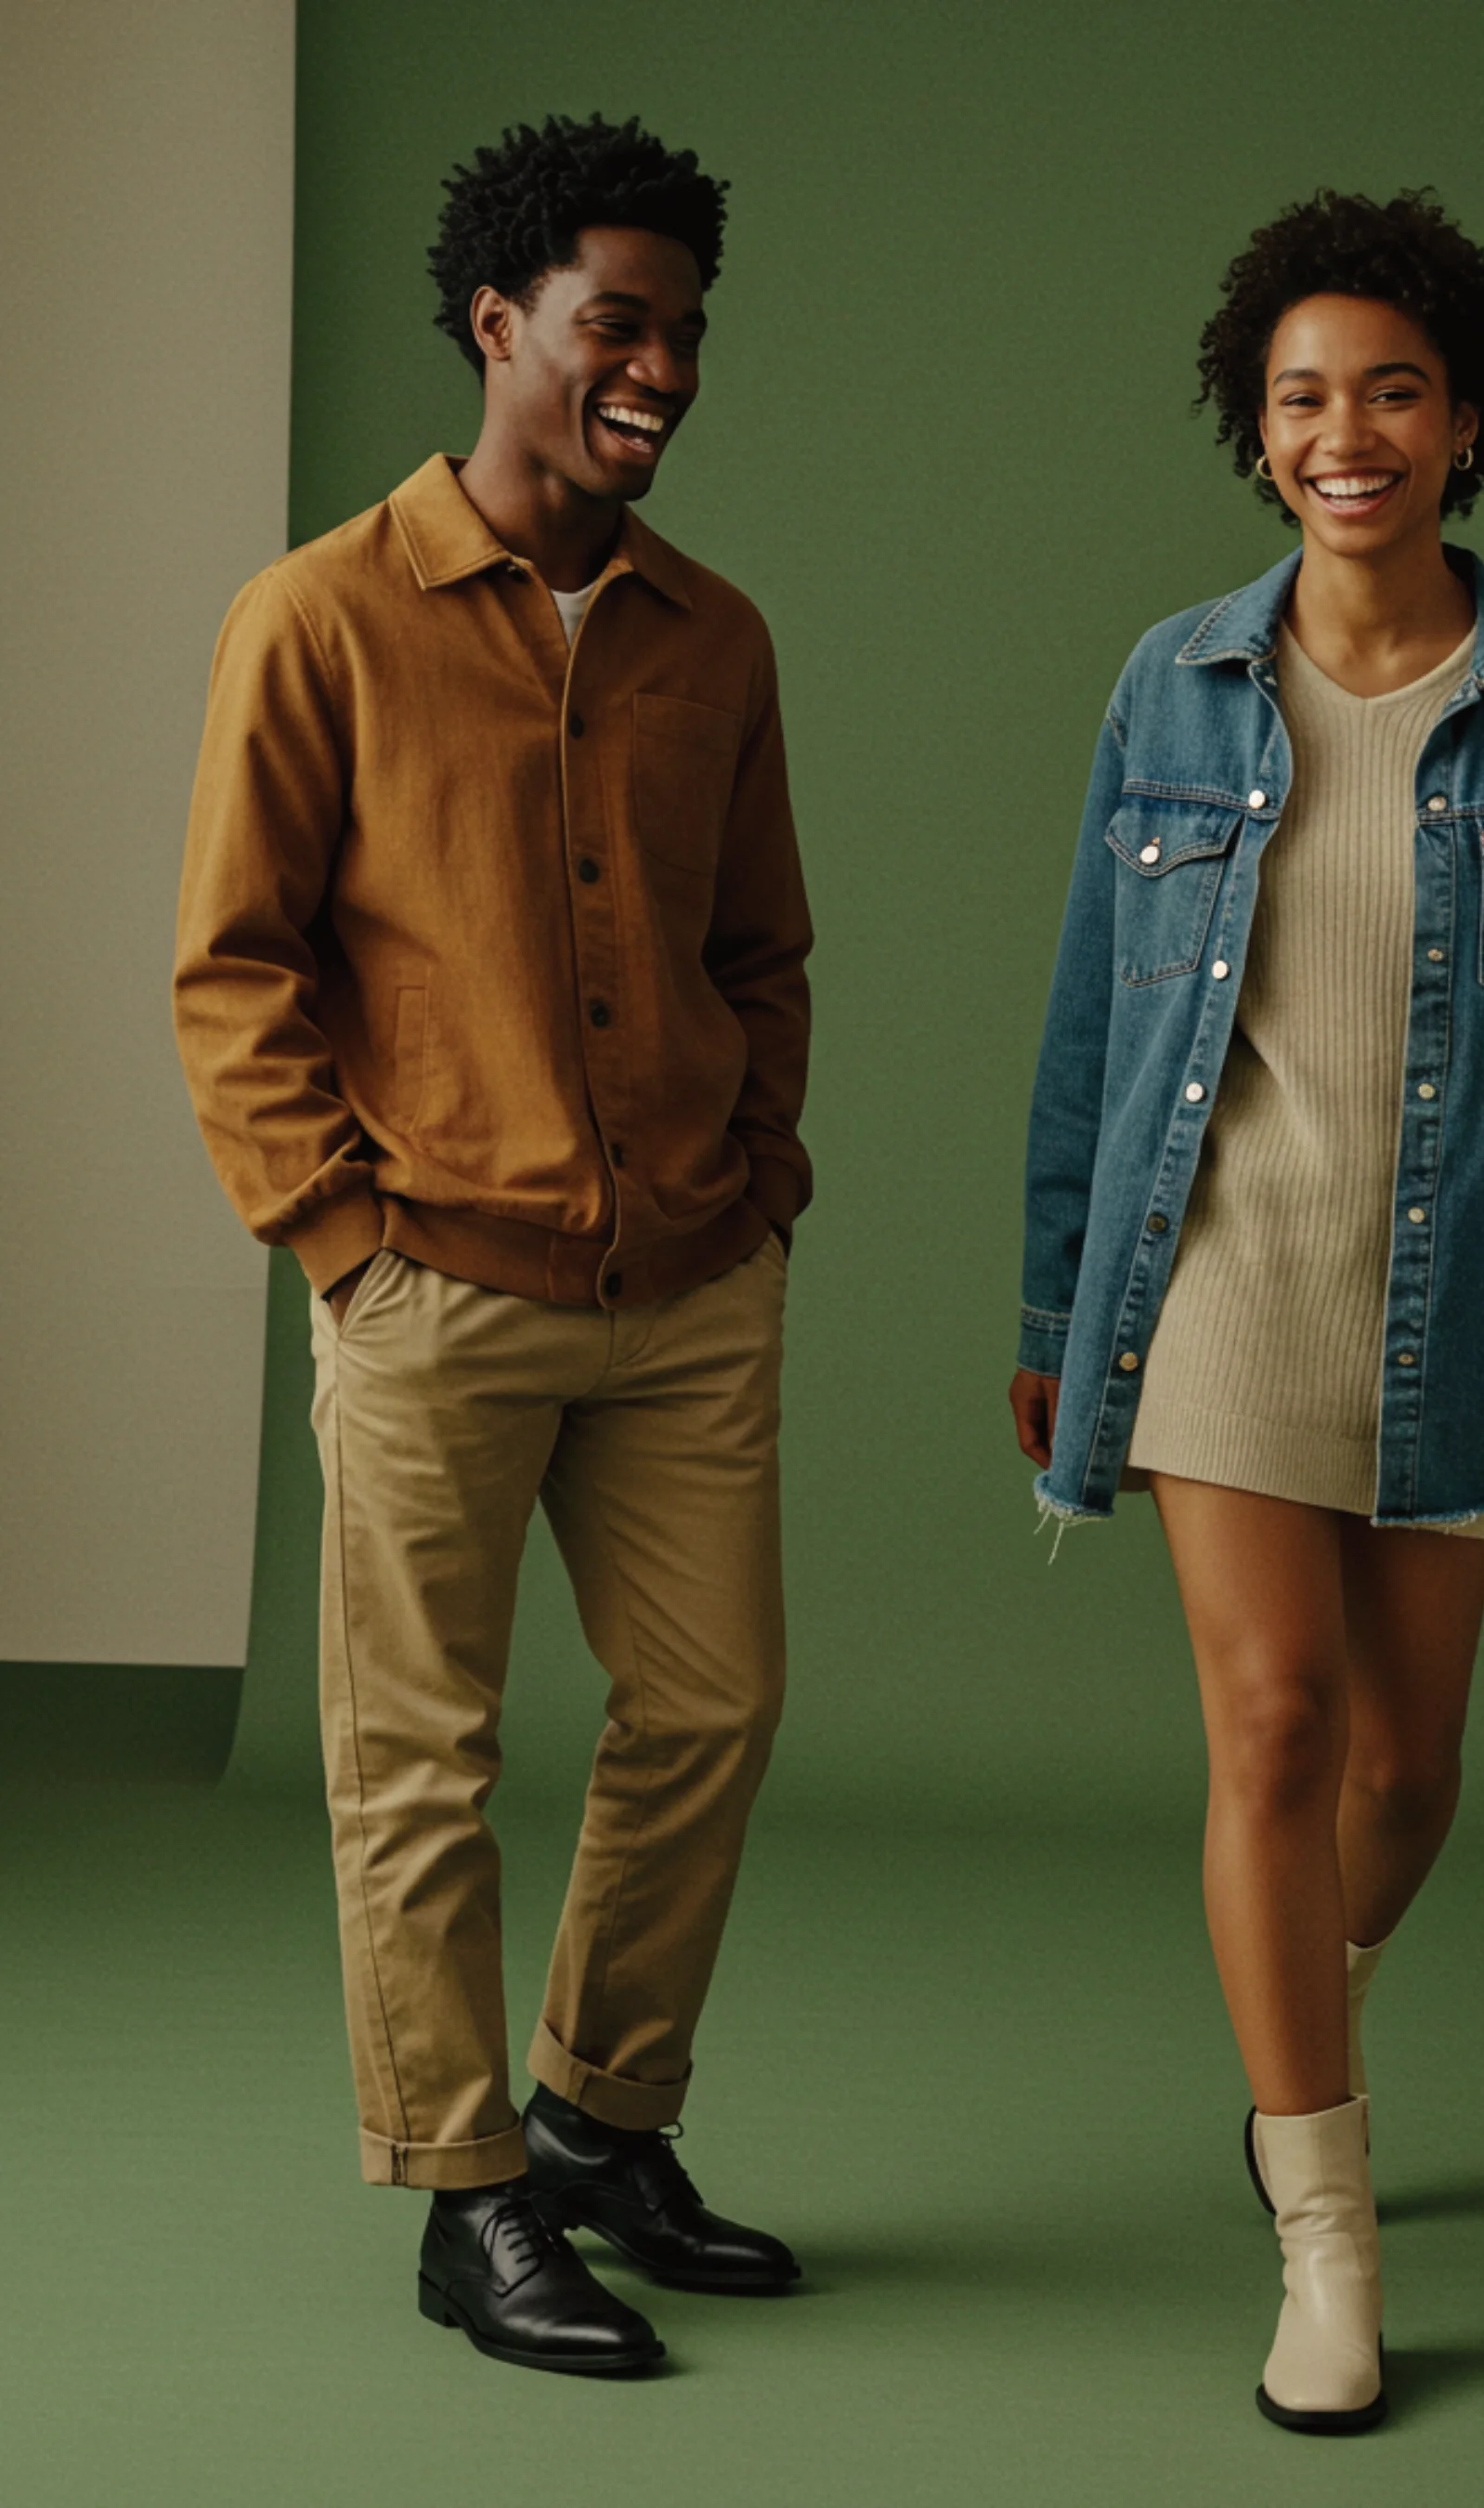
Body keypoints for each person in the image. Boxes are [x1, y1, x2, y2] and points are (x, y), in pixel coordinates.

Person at [1010, 189, 1484, 2434]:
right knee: (1277, 1726)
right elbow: (1085, 1035)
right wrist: (1058, 1296)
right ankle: (1329, 2230)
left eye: (1393, 391)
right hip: (1216, 1275)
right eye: (1305, 395)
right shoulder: (1173, 685)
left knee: (1408, 1773)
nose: (1349, 432)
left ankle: (1290, 2029)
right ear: (1256, 432)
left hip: (1456, 1304)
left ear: (1469, 421)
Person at [175, 112, 813, 2377]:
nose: (663, 369)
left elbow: (764, 949)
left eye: (685, 336)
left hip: (685, 1290)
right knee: (413, 1760)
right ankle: (466, 2200)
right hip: (434, 1285)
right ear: (502, 325)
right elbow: (231, 971)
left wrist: (765, 1183)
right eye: (617, 324)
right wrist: (343, 1245)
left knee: (713, 1706)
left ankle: (599, 2121)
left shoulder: (711, 637)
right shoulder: (319, 615)